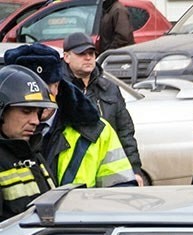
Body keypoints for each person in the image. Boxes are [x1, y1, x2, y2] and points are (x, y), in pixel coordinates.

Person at [4, 44, 136, 189]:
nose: (43, 99)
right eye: (32, 93)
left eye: (47, 88)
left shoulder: (97, 133)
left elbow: (120, 193)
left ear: (58, 86)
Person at [62, 32, 142, 184]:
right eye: (81, 54)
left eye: (91, 53)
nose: (88, 58)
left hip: (110, 172)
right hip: (75, 175)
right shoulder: (59, 90)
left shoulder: (109, 88)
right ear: (66, 57)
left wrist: (135, 170)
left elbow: (125, 132)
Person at [0, 65, 57, 218]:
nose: (35, 121)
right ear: (1, 111)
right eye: (26, 111)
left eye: (38, 113)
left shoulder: (32, 151)